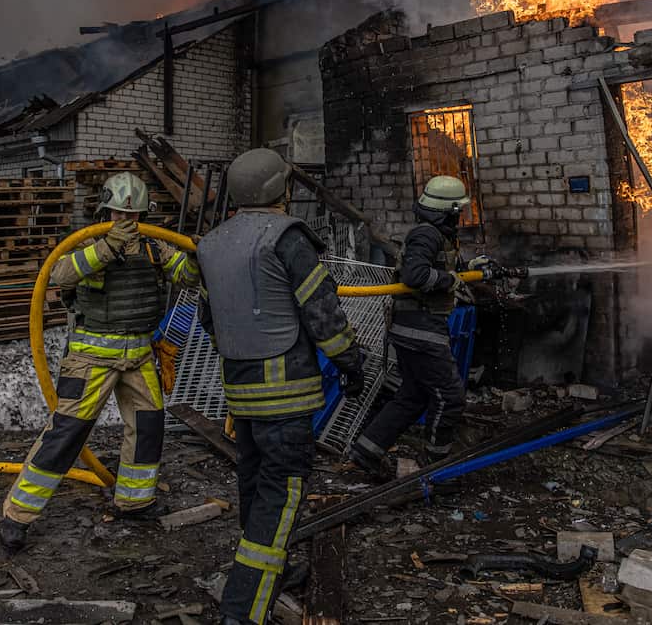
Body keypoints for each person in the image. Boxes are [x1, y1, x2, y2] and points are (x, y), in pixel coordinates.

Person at [195, 148, 365, 625]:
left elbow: (209, 317)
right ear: (281, 189)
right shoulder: (287, 238)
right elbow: (323, 315)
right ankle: (243, 608)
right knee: (281, 492)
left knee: (254, 483)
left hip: (240, 393)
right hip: (286, 398)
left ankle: (267, 569)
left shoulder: (211, 243)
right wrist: (351, 363)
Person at [0, 172, 199, 554]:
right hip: (90, 358)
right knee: (67, 433)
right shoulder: (88, 243)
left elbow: (187, 277)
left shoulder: (156, 247)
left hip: (139, 354)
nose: (127, 221)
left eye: (135, 215)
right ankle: (18, 515)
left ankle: (135, 500)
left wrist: (195, 255)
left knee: (148, 426)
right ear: (104, 210)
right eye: (119, 213)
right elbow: (59, 274)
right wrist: (108, 247)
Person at [349, 175, 493, 480]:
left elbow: (440, 269)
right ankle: (437, 468)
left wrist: (469, 270)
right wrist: (448, 280)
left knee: (413, 395)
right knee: (449, 397)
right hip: (420, 329)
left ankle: (366, 450)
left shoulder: (436, 235)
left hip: (414, 328)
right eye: (458, 211)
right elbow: (416, 276)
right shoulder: (426, 235)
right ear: (448, 211)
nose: (461, 216)